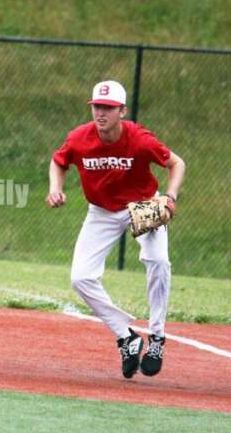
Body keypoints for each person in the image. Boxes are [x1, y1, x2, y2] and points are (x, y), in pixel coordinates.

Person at [47, 80, 185, 378]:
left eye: (108, 108)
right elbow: (58, 161)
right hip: (102, 212)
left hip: (143, 205)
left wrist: (170, 196)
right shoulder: (79, 138)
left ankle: (157, 337)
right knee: (81, 277)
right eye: (97, 106)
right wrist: (55, 188)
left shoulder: (140, 139)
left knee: (158, 262)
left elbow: (177, 163)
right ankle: (127, 336)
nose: (101, 112)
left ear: (122, 111)